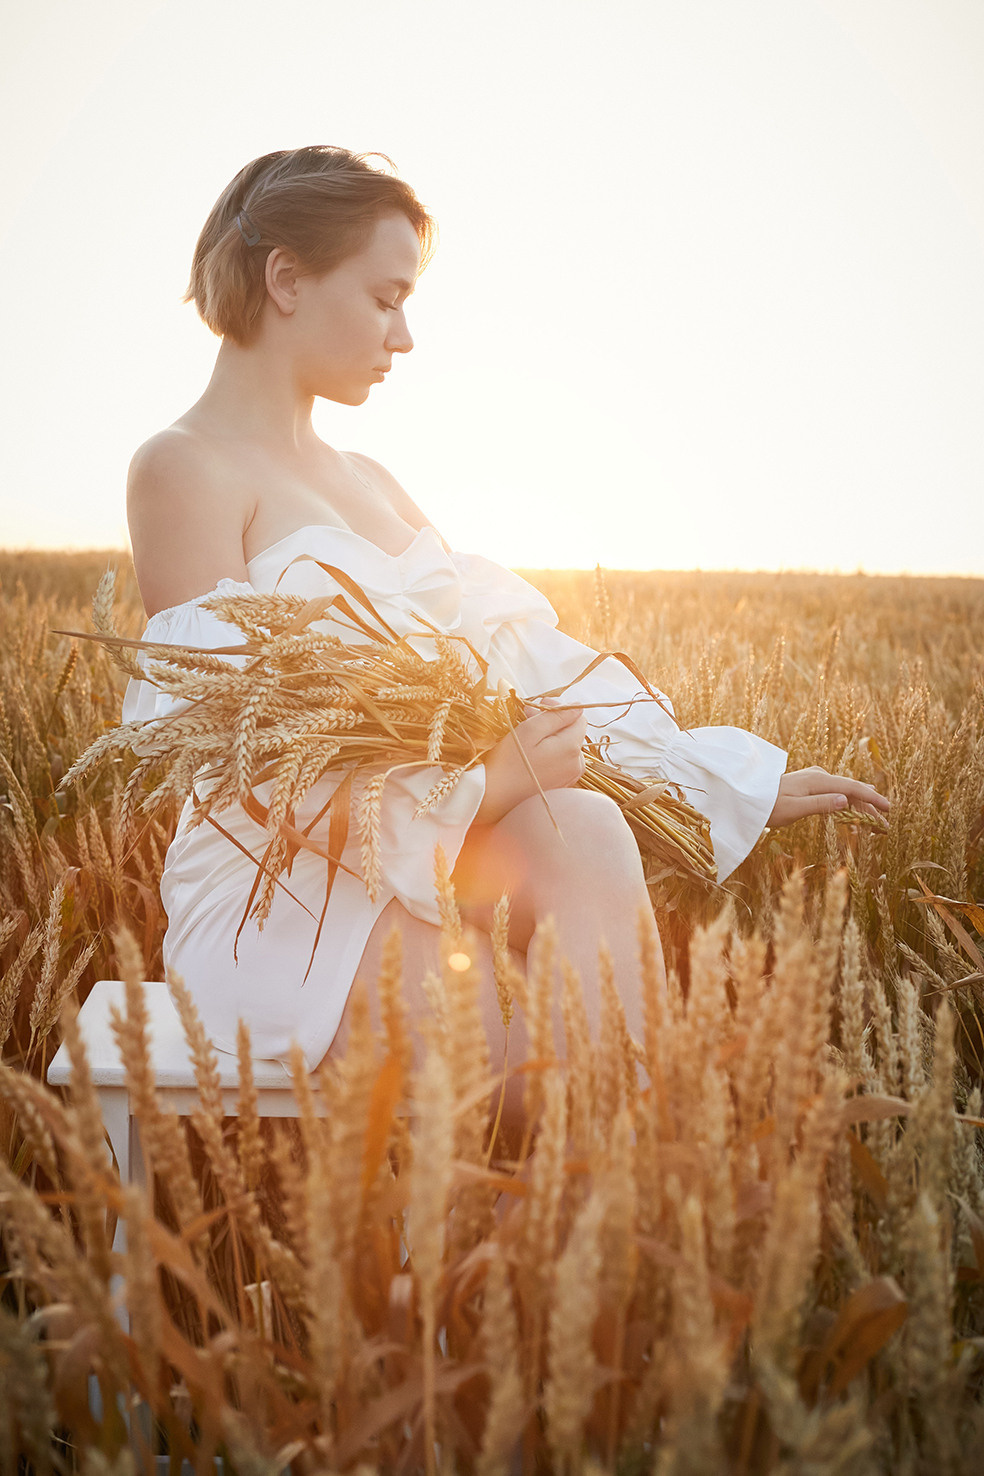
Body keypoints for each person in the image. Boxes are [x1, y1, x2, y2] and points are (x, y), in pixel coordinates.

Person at [123, 145, 889, 1082]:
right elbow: (236, 749)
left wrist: (720, 784)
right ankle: (617, 1187)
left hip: (436, 847)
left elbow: (521, 662)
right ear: (286, 277)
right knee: (562, 1084)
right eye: (384, 296)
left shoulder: (372, 482)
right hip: (286, 898)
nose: (403, 336)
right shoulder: (184, 467)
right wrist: (485, 786)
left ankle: (592, 1192)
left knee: (585, 825)